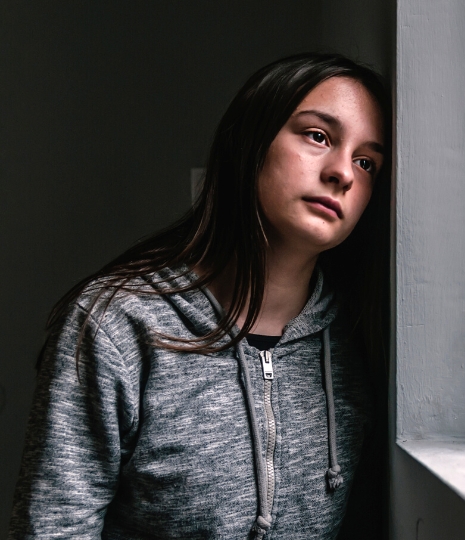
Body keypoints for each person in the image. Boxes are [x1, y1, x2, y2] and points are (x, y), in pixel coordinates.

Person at [8, 53, 390, 539]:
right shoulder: (117, 325)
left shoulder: (358, 339)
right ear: (251, 142)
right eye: (318, 136)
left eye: (366, 162)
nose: (344, 173)